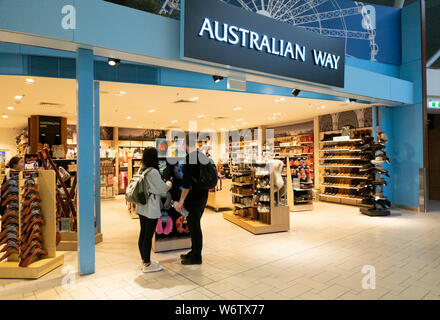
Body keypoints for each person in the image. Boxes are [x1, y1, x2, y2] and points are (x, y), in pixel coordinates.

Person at [135, 147, 172, 273]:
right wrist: (169, 183)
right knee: (148, 235)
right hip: (150, 208)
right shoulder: (153, 172)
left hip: (141, 206)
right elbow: (162, 189)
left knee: (143, 234)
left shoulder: (141, 169)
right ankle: (147, 264)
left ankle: (144, 260)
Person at [175, 137, 209, 265]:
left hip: (194, 198)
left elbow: (186, 183)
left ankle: (196, 257)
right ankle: (194, 252)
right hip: (202, 196)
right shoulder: (201, 155)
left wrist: (181, 200)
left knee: (194, 227)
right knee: (194, 226)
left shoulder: (190, 159)